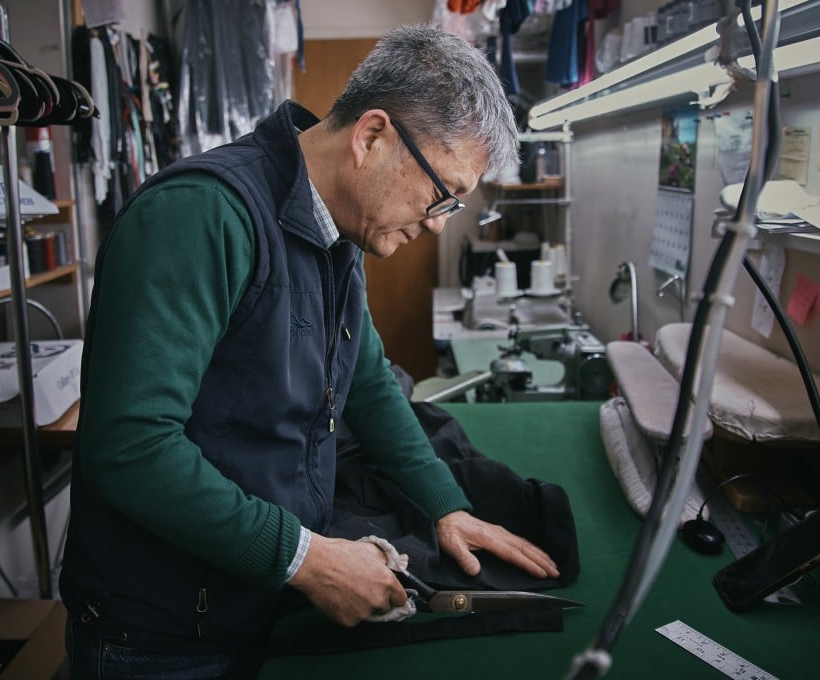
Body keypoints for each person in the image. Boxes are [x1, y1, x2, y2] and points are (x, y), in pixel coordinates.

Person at [59, 23, 561, 680]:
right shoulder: (199, 215)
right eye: (442, 193)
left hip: (255, 599)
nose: (439, 222)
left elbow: (367, 379)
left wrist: (446, 505)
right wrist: (307, 559)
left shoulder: (338, 233)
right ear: (372, 136)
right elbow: (130, 448)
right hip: (163, 633)